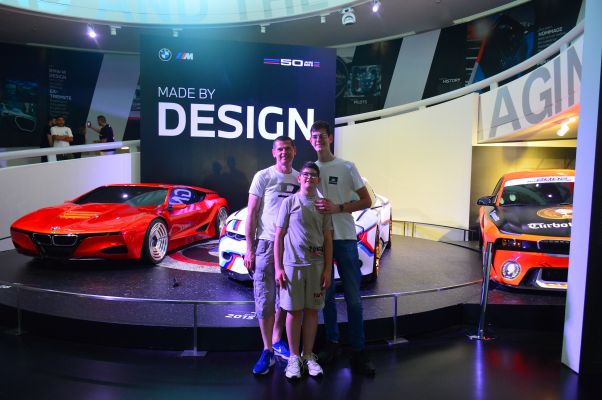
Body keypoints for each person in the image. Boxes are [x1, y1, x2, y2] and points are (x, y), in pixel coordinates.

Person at [309, 120, 376, 377]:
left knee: (354, 300)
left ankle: (358, 350)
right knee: (325, 298)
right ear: (310, 140)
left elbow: (367, 200)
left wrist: (339, 208)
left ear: (330, 138)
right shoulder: (310, 170)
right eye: (314, 136)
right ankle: (332, 343)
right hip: (319, 240)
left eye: (322, 135)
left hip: (345, 238)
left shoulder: (347, 167)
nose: (318, 139)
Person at [245, 136, 299, 375]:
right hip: (266, 245)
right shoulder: (263, 176)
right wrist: (249, 248)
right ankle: (267, 350)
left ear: (294, 151)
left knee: (285, 298)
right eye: (280, 149)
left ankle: (277, 339)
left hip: (291, 247)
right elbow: (252, 213)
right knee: (265, 297)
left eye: (288, 148)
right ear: (274, 153)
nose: (284, 152)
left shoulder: (299, 178)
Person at [275, 161, 333, 379]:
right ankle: (293, 358)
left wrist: (327, 269)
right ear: (299, 178)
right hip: (292, 267)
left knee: (311, 312)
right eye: (305, 174)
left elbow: (328, 238)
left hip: (316, 267)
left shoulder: (323, 206)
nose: (309, 177)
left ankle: (308, 355)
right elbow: (279, 236)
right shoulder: (289, 203)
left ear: (318, 180)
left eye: (313, 175)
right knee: (293, 312)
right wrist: (279, 267)